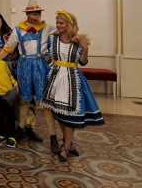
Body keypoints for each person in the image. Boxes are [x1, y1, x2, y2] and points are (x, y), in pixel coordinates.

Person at [41, 10, 104, 162]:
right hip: (56, 78)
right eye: (57, 22)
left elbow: (83, 62)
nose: (58, 25)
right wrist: (51, 68)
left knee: (69, 115)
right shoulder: (52, 39)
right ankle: (68, 143)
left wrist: (85, 48)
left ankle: (66, 147)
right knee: (58, 113)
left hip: (72, 79)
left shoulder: (79, 40)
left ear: (69, 24)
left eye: (61, 23)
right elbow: (47, 56)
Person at [0, 0, 57, 147]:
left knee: (41, 101)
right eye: (33, 13)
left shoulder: (48, 28)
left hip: (40, 65)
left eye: (38, 13)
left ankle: (38, 130)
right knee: (24, 100)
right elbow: (8, 48)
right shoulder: (18, 29)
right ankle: (22, 129)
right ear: (27, 15)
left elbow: (61, 37)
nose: (36, 15)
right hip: (24, 65)